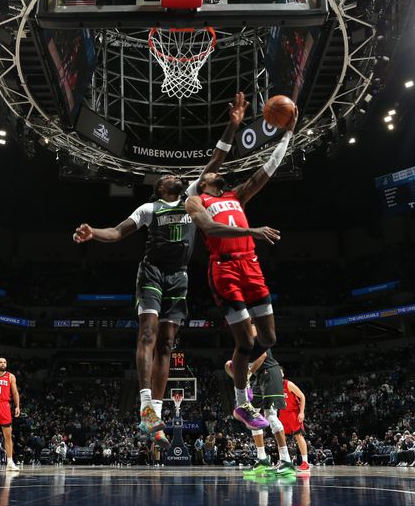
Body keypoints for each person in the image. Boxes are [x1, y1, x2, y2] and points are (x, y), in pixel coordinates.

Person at [74, 93, 277, 446]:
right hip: (152, 271)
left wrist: (233, 123)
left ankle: (156, 409)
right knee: (149, 334)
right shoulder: (149, 207)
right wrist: (94, 233)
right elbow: (119, 232)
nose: (175, 175)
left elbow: (219, 155)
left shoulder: (193, 197)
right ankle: (144, 407)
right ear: (160, 187)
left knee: (167, 344)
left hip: (180, 276)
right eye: (169, 175)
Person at [185, 108, 296, 430]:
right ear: (203, 182)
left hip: (251, 267)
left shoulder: (237, 194)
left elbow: (267, 170)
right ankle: (241, 403)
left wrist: (288, 134)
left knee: (269, 338)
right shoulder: (195, 201)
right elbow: (212, 229)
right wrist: (252, 232)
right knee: (246, 341)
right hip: (225, 270)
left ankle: (239, 365)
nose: (214, 173)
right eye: (208, 173)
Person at [235, 326, 295, 478]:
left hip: (270, 373)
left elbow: (261, 358)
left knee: (271, 416)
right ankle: (262, 459)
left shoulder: (258, 339)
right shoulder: (246, 342)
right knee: (252, 416)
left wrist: (247, 373)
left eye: (252, 326)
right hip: (259, 377)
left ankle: (286, 461)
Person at [278, 371, 311, 472]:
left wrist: (301, 412)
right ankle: (283, 461)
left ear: (283, 374)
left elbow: (302, 396)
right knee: (280, 437)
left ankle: (305, 462)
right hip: (282, 413)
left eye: (280, 372)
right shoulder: (273, 386)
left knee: (298, 436)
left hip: (293, 412)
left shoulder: (288, 384)